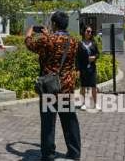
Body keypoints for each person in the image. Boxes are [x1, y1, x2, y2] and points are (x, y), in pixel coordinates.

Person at [25, 11, 81, 161]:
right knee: (70, 121)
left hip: (50, 88)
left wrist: (29, 33)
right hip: (67, 86)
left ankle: (48, 154)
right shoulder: (74, 41)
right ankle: (74, 152)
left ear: (54, 24)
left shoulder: (47, 39)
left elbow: (30, 45)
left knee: (48, 122)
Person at [77, 25, 100, 111]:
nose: (89, 33)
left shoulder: (93, 43)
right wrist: (77, 69)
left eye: (90, 32)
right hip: (83, 68)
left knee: (93, 86)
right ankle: (83, 104)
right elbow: (77, 58)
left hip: (92, 68)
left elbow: (98, 53)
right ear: (84, 32)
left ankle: (96, 103)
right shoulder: (80, 44)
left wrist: (95, 57)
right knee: (83, 86)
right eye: (88, 31)